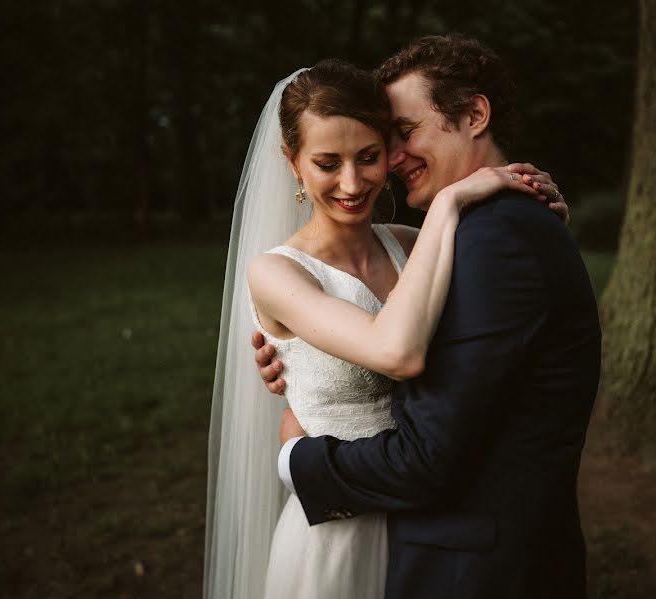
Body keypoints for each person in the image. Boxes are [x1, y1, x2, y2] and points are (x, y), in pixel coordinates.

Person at [204, 58, 566, 599]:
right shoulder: (276, 273)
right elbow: (396, 352)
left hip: (427, 521)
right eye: (327, 162)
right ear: (293, 162)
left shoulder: (410, 244)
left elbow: (502, 297)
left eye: (369, 157)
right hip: (338, 531)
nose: (353, 183)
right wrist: (449, 201)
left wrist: (546, 212)